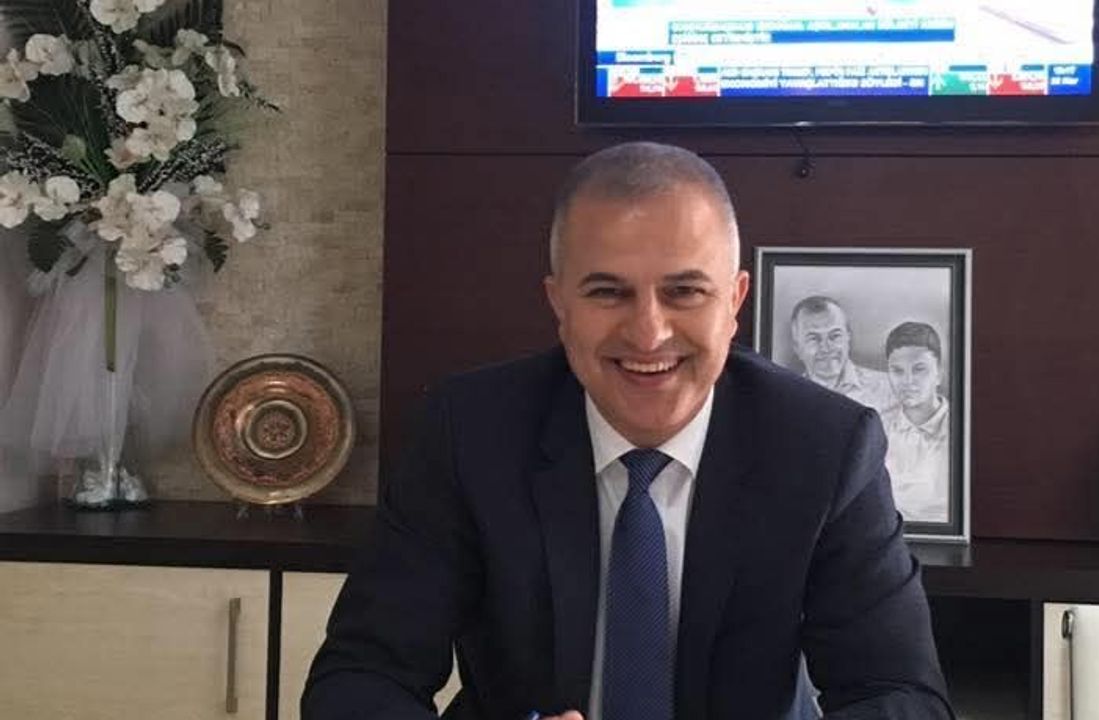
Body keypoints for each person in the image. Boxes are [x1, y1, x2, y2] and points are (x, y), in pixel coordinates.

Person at [303, 142, 952, 720]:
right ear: (559, 304)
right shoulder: (469, 432)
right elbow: (360, 677)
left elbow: (898, 694)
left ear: (734, 301)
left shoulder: (825, 447)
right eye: (608, 293)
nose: (648, 333)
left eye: (685, 292)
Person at [881, 322, 950, 523]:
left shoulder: (963, 429)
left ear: (939, 374)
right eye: (897, 371)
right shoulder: (878, 428)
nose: (908, 381)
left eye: (919, 369)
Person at [789, 296, 895, 412]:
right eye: (813, 338)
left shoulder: (890, 389)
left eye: (835, 336)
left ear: (848, 338)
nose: (826, 348)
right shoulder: (787, 398)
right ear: (797, 348)